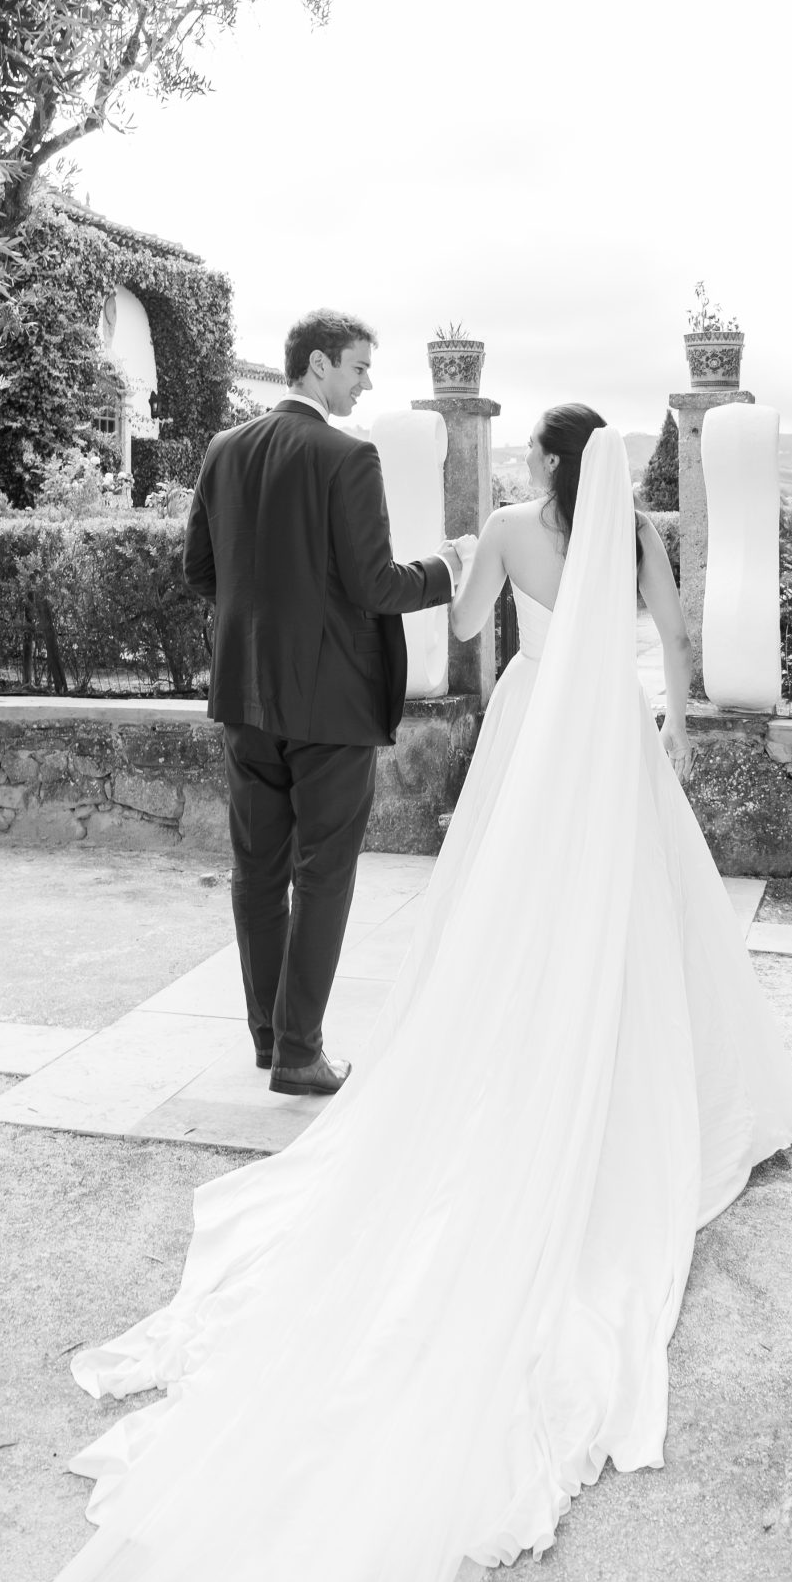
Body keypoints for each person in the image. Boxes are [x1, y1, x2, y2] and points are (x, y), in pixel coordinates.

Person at [0, 407, 792, 1582]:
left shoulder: (513, 529)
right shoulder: (632, 531)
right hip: (613, 731)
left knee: (503, 906)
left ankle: (372, 1034)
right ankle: (658, 1067)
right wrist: (678, 729)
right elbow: (673, 637)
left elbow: (466, 632)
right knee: (637, 903)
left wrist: (467, 566)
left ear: (535, 460)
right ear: (609, 466)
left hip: (531, 727)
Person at [182, 310, 459, 1095]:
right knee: (325, 873)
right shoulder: (346, 456)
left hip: (243, 695)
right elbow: (375, 585)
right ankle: (301, 1052)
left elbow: (200, 572)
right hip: (330, 703)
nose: (366, 381)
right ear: (314, 366)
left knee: (256, 873)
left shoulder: (223, 449)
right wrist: (444, 567)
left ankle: (270, 1040)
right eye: (358, 367)